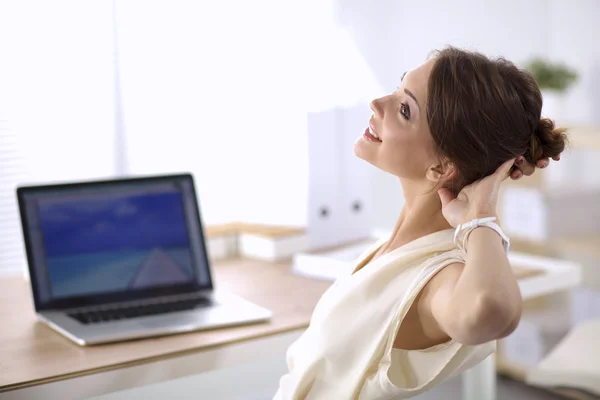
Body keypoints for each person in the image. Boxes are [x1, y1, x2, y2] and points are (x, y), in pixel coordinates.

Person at [274, 47, 567, 400]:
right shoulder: (392, 250)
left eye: (404, 109)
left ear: (442, 167)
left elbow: (492, 312)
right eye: (399, 89)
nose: (377, 103)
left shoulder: (436, 275)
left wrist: (481, 218)